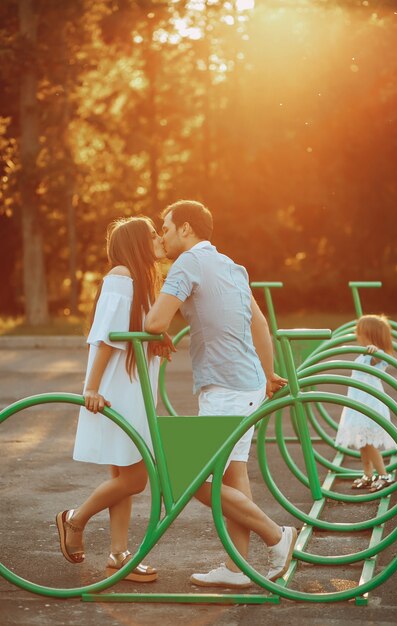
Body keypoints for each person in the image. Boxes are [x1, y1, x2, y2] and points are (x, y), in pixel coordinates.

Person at [145, 200, 297, 589]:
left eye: (165, 228)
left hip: (227, 387)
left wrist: (155, 321)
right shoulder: (231, 265)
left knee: (188, 476)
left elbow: (156, 320)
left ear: (186, 229)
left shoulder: (187, 264)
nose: (162, 235)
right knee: (232, 475)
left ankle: (276, 537)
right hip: (244, 383)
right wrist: (266, 374)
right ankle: (237, 568)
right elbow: (259, 322)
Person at [56, 216, 173, 582]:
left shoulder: (141, 280)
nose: (158, 239)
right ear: (138, 242)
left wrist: (159, 340)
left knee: (123, 473)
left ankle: (119, 553)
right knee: (136, 479)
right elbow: (105, 337)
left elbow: (134, 331)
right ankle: (73, 520)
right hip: (116, 391)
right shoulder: (122, 276)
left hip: (131, 389)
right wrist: (91, 388)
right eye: (152, 235)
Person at [335, 314, 396, 492]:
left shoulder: (377, 355)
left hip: (369, 405)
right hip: (357, 405)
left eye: (360, 333)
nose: (357, 336)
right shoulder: (364, 353)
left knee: (369, 443)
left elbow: (380, 360)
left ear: (370, 335)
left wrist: (374, 350)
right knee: (362, 442)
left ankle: (384, 475)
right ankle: (368, 474)